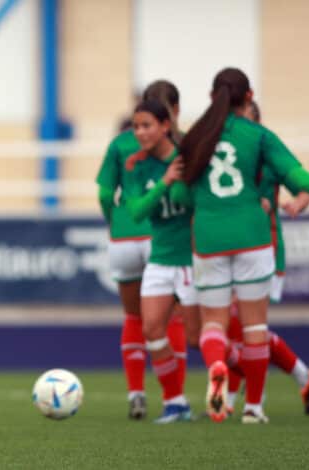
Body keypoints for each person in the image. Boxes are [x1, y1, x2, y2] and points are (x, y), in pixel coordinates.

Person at [177, 67, 309, 423]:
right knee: (253, 328)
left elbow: (182, 194)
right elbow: (298, 178)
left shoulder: (195, 138)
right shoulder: (259, 136)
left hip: (209, 240)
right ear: (249, 97)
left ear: (212, 96)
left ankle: (218, 366)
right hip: (252, 237)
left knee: (213, 324)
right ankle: (253, 409)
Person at [223, 100, 309, 416]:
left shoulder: (266, 151)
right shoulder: (225, 152)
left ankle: (249, 399)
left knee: (248, 326)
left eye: (247, 120)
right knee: (240, 327)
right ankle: (304, 376)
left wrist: (298, 203)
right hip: (229, 247)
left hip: (263, 247)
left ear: (258, 123)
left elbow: (303, 185)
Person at [96, 80, 185, 419]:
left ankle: (136, 392)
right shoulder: (176, 145)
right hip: (161, 237)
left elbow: (105, 195)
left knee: (134, 317)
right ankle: (173, 396)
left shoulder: (120, 144)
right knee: (170, 318)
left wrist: (113, 222)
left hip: (123, 236)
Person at [124, 100, 196, 423]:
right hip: (161, 258)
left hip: (193, 260)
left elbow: (194, 203)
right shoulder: (137, 165)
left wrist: (179, 178)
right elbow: (137, 211)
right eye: (136, 126)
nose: (140, 132)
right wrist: (166, 181)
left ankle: (253, 371)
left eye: (146, 125)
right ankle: (175, 402)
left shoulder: (190, 157)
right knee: (152, 329)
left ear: (165, 126)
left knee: (197, 338)